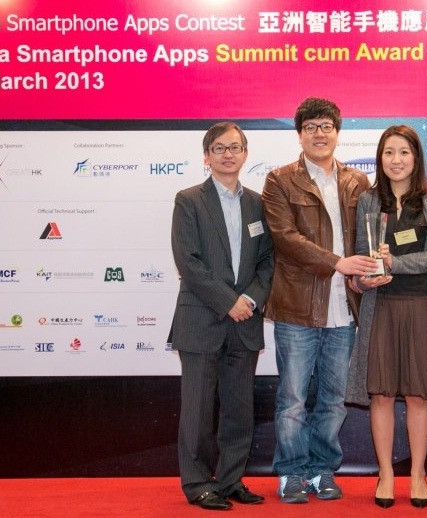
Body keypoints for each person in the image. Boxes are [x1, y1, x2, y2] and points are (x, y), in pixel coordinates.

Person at [261, 97, 375, 504]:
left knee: (333, 399)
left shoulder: (357, 182)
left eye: (326, 126)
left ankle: (322, 469)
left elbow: (368, 238)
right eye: (311, 127)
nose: (319, 133)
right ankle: (291, 472)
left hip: (344, 310)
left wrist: (368, 269)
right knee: (292, 399)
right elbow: (286, 239)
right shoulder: (279, 180)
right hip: (296, 308)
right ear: (300, 134)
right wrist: (338, 263)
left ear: (337, 133)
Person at [345, 125, 427, 509]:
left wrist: (396, 262)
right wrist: (366, 277)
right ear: (380, 158)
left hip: (421, 306)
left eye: (404, 152)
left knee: (417, 395)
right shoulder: (367, 200)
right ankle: (386, 474)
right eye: (389, 152)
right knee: (380, 394)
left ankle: (418, 474)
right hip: (381, 307)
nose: (396, 160)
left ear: (416, 158)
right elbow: (361, 254)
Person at [170, 121, 274, 511]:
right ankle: (198, 483)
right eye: (219, 148)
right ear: (206, 156)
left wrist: (249, 299)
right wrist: (228, 301)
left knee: (238, 409)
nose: (227, 154)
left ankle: (230, 480)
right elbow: (188, 262)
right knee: (197, 411)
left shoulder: (259, 204)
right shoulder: (188, 200)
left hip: (245, 320)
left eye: (234, 147)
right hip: (202, 319)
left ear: (245, 154)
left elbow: (268, 262)